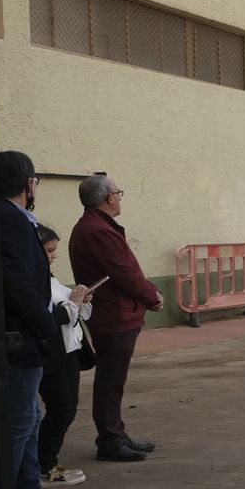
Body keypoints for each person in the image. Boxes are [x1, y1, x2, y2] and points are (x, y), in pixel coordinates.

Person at [0, 151, 87, 489]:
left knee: (31, 417)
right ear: (27, 183)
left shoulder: (16, 218)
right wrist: (47, 326)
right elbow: (18, 284)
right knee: (19, 423)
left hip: (25, 336)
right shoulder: (9, 219)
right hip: (20, 339)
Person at [69, 173, 163, 462]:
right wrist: (152, 296)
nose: (120, 198)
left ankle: (117, 434)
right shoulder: (98, 230)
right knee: (110, 381)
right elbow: (125, 273)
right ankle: (110, 440)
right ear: (109, 198)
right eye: (119, 193)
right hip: (114, 314)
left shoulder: (96, 226)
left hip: (116, 312)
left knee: (113, 381)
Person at [37, 224, 91, 488]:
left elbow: (68, 310)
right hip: (50, 353)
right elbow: (49, 317)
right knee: (60, 409)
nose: (54, 256)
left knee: (67, 409)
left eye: (54, 250)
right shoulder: (29, 282)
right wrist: (73, 303)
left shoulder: (49, 278)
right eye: (49, 251)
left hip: (68, 350)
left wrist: (79, 300)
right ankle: (43, 466)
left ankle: (46, 463)